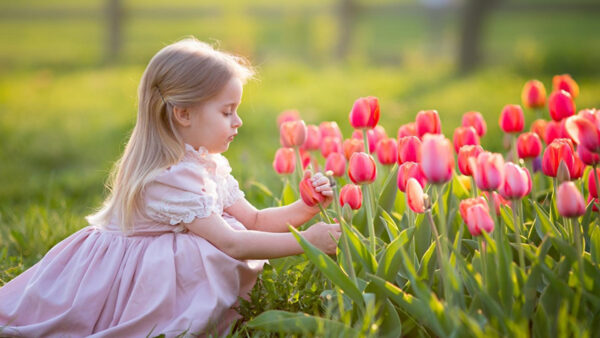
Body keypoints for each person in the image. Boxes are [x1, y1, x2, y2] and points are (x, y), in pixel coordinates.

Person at [0, 37, 341, 337]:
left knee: (204, 246)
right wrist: (307, 243)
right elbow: (233, 243)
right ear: (183, 114)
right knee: (204, 250)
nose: (238, 121)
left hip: (159, 266)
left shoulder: (206, 164)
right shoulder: (168, 177)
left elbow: (253, 221)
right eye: (227, 111)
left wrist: (305, 208)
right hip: (125, 279)